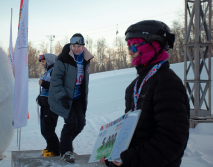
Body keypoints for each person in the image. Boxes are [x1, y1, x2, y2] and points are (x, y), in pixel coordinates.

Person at [100, 20, 190, 167]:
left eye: (135, 46)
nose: (130, 52)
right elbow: (133, 132)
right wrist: (114, 154)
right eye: (129, 47)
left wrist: (129, 160)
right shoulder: (133, 86)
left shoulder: (168, 83)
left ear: (155, 45)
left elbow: (171, 141)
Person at [48, 33, 94, 163]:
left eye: (79, 46)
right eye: (74, 46)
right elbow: (55, 80)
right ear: (71, 45)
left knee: (81, 123)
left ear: (83, 46)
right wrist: (62, 96)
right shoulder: (63, 58)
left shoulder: (86, 59)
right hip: (64, 97)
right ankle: (66, 151)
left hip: (78, 98)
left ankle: (65, 144)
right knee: (72, 122)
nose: (76, 49)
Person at [36, 53, 60, 157]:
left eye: (43, 61)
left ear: (49, 61)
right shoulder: (47, 72)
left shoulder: (55, 70)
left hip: (52, 104)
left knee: (48, 128)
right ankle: (50, 146)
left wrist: (43, 83)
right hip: (45, 103)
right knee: (44, 128)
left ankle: (55, 150)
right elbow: (45, 90)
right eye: (41, 62)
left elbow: (56, 86)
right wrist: (39, 97)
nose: (42, 64)